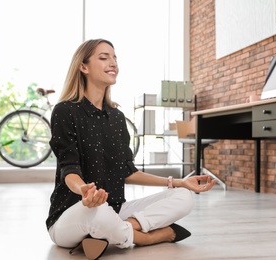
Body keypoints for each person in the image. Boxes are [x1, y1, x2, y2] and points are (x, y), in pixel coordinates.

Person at [46, 39, 216, 260]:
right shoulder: (65, 111)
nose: (113, 63)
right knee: (98, 212)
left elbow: (128, 172)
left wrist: (179, 182)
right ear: (83, 67)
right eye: (104, 57)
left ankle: (118, 231)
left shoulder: (117, 118)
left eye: (115, 58)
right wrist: (84, 191)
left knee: (184, 197)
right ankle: (150, 237)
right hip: (72, 215)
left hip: (113, 211)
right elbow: (68, 170)